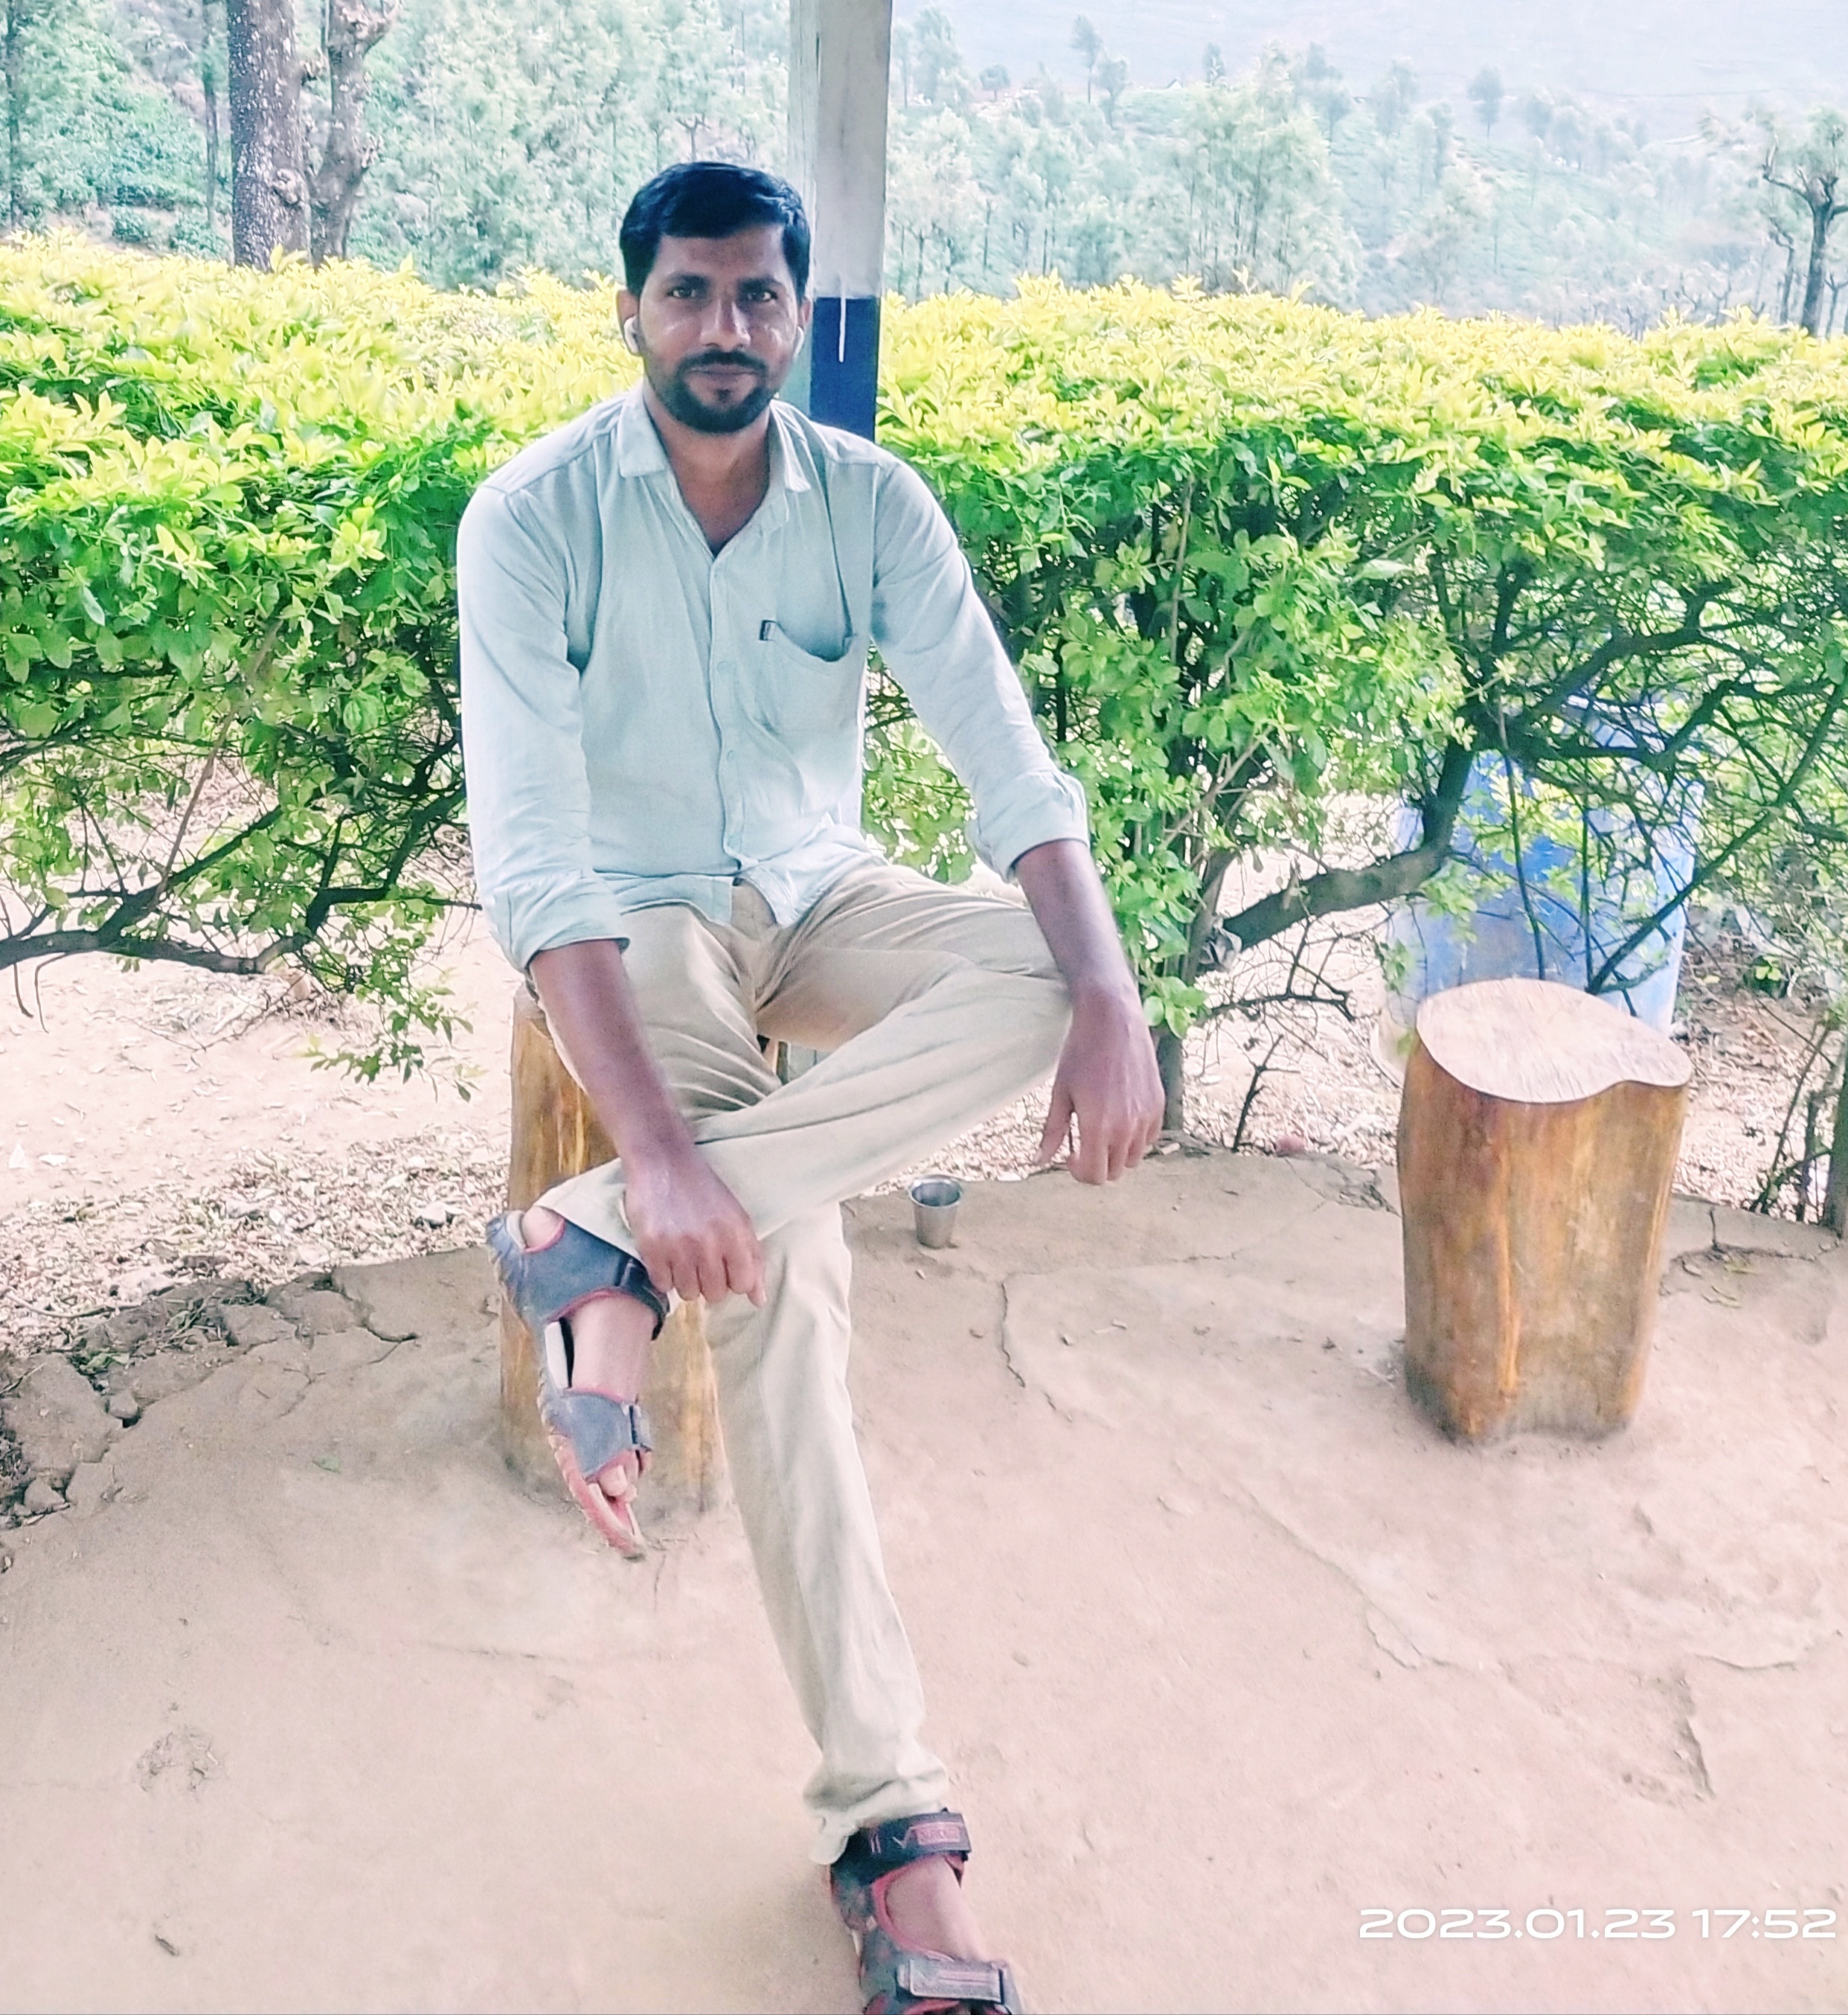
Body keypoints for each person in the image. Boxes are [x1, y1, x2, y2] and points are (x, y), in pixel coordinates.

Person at [458, 161, 1163, 2015]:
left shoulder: (869, 504)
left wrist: (1111, 995)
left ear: (798, 313)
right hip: (646, 927)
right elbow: (534, 869)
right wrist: (668, 1152)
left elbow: (1010, 768)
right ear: (630, 308)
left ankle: (589, 1240)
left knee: (1060, 965)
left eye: (760, 295)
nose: (727, 328)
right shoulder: (532, 519)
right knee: (783, 1279)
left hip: (824, 897)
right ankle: (891, 1821)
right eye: (690, 292)